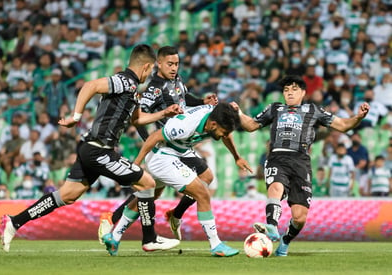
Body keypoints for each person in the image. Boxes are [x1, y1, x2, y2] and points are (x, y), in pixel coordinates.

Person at [0, 44, 182, 253]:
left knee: (67, 195)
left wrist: (164, 113)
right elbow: (91, 85)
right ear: (146, 66)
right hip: (100, 151)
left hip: (91, 149)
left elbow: (138, 119)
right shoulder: (124, 81)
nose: (149, 75)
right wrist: (76, 117)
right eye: (150, 71)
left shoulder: (132, 90)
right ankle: (150, 239)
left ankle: (14, 222)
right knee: (147, 182)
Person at [234, 75, 370, 257]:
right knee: (275, 187)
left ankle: (286, 239)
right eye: (286, 90)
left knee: (299, 217)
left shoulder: (313, 110)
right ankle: (272, 227)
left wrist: (359, 117)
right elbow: (250, 126)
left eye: (294, 90)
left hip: (301, 162)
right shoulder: (275, 108)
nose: (289, 93)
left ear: (304, 93)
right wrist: (239, 112)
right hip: (277, 156)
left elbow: (343, 125)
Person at [98, 46, 219, 242]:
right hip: (166, 147)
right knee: (151, 194)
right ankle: (113, 219)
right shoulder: (154, 88)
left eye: (177, 64)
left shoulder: (176, 80)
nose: (174, 68)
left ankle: (173, 215)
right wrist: (150, 141)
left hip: (180, 145)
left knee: (202, 178)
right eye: (170, 64)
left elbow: (184, 98)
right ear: (159, 64)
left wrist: (201, 101)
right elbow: (137, 118)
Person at [102, 103, 252, 257]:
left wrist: (237, 157)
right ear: (213, 124)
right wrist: (136, 166)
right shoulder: (184, 126)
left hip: (180, 151)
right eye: (223, 131)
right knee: (202, 194)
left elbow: (226, 133)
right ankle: (216, 244)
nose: (224, 135)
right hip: (163, 157)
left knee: (149, 196)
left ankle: (114, 237)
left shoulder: (215, 118)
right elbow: (154, 137)